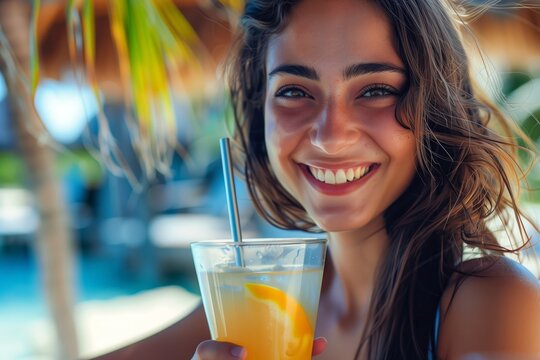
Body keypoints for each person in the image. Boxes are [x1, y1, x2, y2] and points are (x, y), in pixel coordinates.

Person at [94, 0, 540, 359]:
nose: (329, 137)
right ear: (259, 111)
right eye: (293, 91)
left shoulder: (497, 306)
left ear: (437, 109)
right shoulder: (262, 294)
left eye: (375, 90)